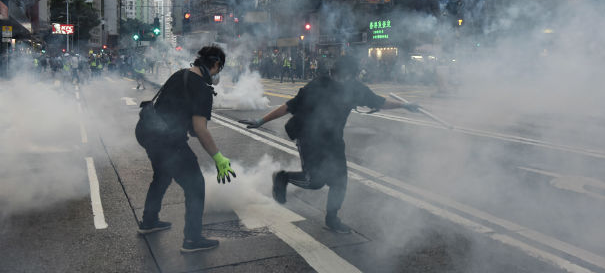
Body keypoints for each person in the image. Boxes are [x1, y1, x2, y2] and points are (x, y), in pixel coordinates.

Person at [239, 56, 419, 233]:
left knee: (340, 181)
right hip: (309, 137)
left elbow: (379, 101)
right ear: (336, 72)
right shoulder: (318, 85)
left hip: (334, 140)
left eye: (350, 76)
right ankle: (282, 178)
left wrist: (404, 105)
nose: (345, 79)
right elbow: (288, 106)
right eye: (342, 75)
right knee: (315, 182)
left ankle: (332, 219)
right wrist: (261, 120)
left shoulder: (354, 88)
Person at [135, 45, 236, 253]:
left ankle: (149, 221)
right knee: (196, 187)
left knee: (162, 176)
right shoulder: (202, 89)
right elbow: (200, 129)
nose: (218, 74)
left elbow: (172, 108)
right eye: (219, 69)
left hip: (148, 133)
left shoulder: (179, 75)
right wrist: (219, 158)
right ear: (216, 64)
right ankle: (192, 239)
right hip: (168, 141)